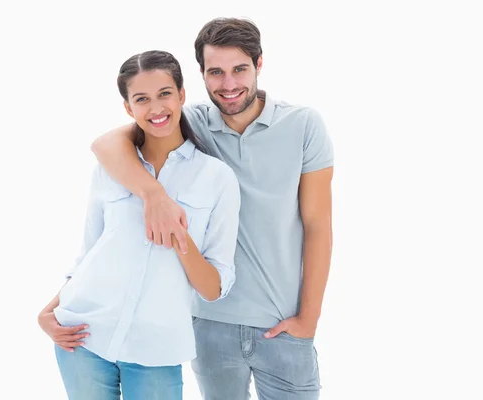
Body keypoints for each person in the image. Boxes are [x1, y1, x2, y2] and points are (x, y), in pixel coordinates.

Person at [90, 18, 334, 400]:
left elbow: (318, 224)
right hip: (209, 325)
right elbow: (106, 144)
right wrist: (154, 194)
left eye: (240, 69)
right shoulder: (192, 122)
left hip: (283, 325)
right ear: (201, 76)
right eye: (216, 72)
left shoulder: (303, 125)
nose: (229, 84)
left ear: (259, 64)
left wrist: (309, 318)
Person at [37, 50, 241, 400]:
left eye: (164, 94)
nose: (156, 108)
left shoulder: (216, 178)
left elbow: (212, 288)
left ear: (181, 95)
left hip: (156, 349)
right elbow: (91, 252)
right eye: (141, 99)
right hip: (84, 336)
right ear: (128, 109)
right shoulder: (110, 169)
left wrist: (178, 233)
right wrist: (50, 310)